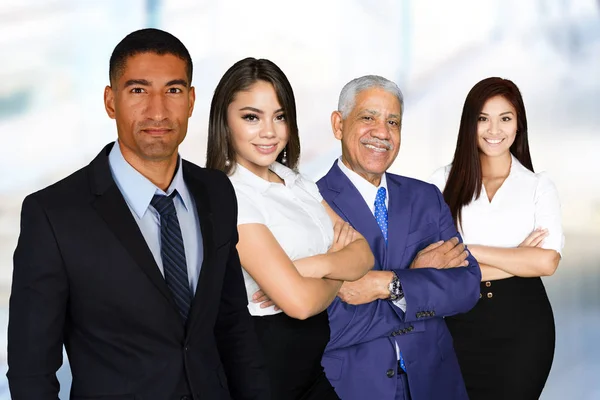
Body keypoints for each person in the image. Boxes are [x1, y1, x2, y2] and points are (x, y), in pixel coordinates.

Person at [7, 28, 269, 400]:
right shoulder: (53, 214)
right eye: (138, 90)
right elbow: (31, 370)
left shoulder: (217, 192)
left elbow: (232, 326)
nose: (158, 111)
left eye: (173, 91)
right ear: (111, 101)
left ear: (191, 101)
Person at [205, 57, 375, 400]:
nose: (269, 131)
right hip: (263, 376)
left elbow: (364, 253)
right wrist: (338, 269)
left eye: (279, 116)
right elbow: (297, 302)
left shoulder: (294, 181)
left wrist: (311, 268)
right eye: (251, 117)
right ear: (224, 120)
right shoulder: (229, 195)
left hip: (310, 370)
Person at [316, 75, 482, 400]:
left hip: (435, 382)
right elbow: (328, 327)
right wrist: (420, 285)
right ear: (338, 124)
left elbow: (466, 287)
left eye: (393, 121)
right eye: (368, 118)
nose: (382, 132)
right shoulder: (312, 204)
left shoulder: (426, 197)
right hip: (354, 388)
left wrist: (386, 284)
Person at [429, 77, 563, 400]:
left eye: (505, 118)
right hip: (457, 326)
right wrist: (517, 257)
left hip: (524, 328)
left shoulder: (537, 186)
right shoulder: (441, 182)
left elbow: (547, 261)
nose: (494, 130)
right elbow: (434, 267)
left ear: (518, 125)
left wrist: (469, 251)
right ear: (469, 124)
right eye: (483, 119)